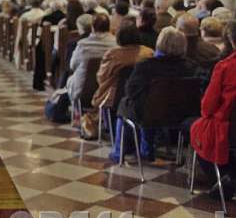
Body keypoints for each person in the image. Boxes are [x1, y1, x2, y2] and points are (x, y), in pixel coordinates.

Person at [112, 27, 201, 162]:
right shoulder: (192, 67)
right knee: (149, 104)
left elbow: (131, 91)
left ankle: (120, 151)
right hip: (182, 115)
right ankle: (146, 148)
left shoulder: (146, 66)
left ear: (160, 43)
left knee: (126, 103)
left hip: (149, 113)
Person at [190, 26, 236, 200]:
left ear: (232, 41)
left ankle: (226, 176)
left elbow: (208, 107)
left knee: (196, 129)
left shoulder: (225, 67)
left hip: (227, 126)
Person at [89, 22, 154, 127]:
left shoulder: (112, 55)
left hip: (114, 98)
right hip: (143, 96)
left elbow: (101, 77)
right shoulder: (148, 53)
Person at [66, 13, 117, 106]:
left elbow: (72, 65)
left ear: (92, 27)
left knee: (70, 80)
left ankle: (77, 113)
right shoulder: (115, 44)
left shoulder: (82, 45)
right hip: (107, 91)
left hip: (84, 90)